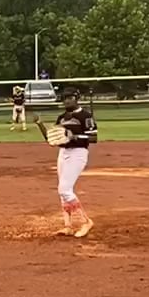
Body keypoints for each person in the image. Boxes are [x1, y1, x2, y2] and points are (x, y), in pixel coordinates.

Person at [44, 88, 97, 237]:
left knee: (64, 190)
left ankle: (85, 222)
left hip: (78, 153)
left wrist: (74, 137)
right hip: (63, 153)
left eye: (70, 97)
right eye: (64, 98)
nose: (67, 101)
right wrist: (41, 125)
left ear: (77, 98)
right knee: (63, 192)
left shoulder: (85, 116)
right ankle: (68, 226)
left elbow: (93, 138)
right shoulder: (62, 117)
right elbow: (53, 138)